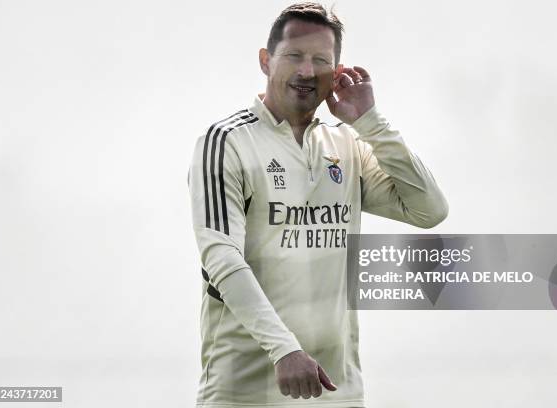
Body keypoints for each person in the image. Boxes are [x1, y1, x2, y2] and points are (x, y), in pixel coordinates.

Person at [187, 2, 448, 407]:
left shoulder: (347, 143)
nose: (307, 71)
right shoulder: (227, 141)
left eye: (321, 60)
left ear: (337, 71)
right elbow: (221, 258)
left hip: (336, 394)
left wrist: (371, 122)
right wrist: (284, 349)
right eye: (294, 56)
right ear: (265, 60)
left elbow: (429, 210)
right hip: (244, 392)